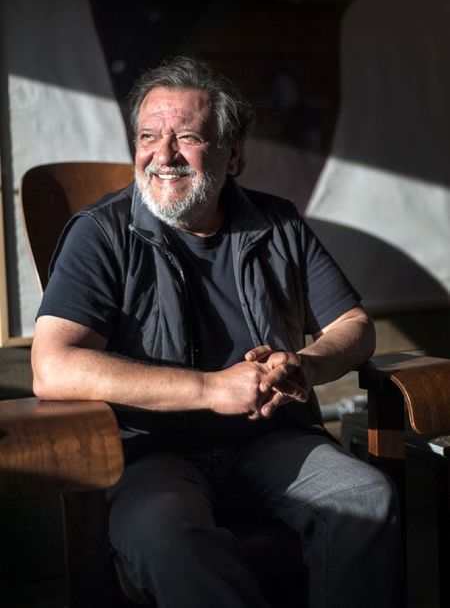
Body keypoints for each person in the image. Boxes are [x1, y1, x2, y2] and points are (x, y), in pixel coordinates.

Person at [32, 56, 401, 607]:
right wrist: (210, 388)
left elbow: (355, 325)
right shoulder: (99, 234)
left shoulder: (279, 223)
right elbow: (53, 366)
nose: (163, 155)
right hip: (150, 453)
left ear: (232, 155)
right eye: (149, 136)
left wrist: (307, 364)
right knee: (170, 536)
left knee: (367, 498)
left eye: (187, 137)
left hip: (272, 441)